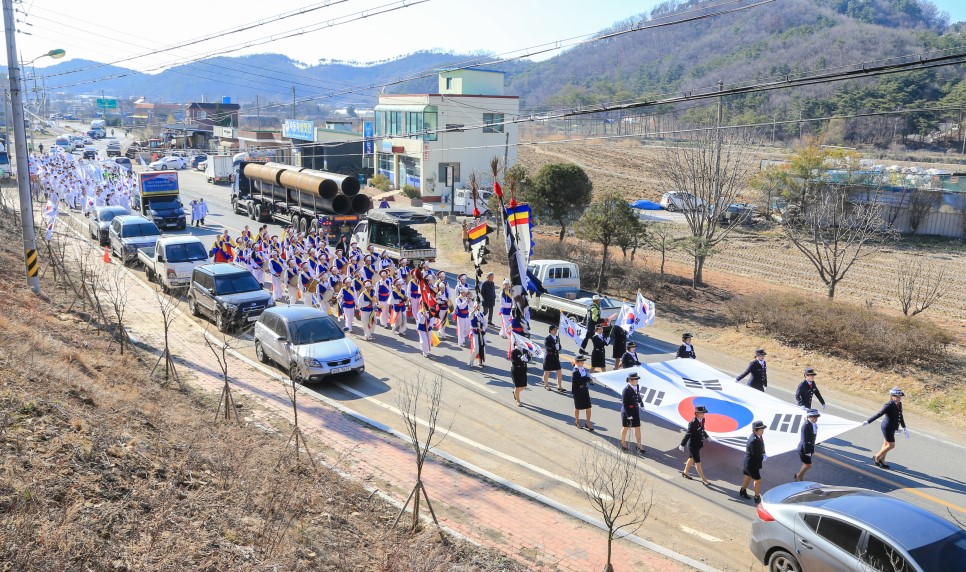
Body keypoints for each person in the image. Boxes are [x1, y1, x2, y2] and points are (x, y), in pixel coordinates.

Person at [866, 387, 908, 469]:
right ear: (892, 396)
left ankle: (882, 460)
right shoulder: (888, 405)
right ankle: (877, 456)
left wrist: (904, 427)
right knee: (892, 445)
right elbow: (879, 414)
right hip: (887, 427)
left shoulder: (899, 404)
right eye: (897, 396)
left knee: (886, 444)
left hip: (892, 427)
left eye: (900, 397)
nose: (899, 398)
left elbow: (900, 416)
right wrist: (868, 421)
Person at [679, 405, 711, 485]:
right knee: (698, 462)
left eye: (704, 413)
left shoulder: (702, 419)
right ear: (696, 413)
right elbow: (688, 434)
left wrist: (707, 436)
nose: (703, 414)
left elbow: (702, 429)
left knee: (691, 458)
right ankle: (704, 479)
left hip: (698, 444)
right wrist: (682, 444)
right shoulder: (692, 423)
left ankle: (685, 472)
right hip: (692, 445)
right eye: (702, 413)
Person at [740, 420, 767, 503]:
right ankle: (757, 497)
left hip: (750, 462)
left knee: (748, 476)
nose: (762, 430)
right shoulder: (754, 440)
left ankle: (742, 490)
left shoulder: (758, 436)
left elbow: (762, 446)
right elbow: (756, 454)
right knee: (758, 480)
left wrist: (764, 453)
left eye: (762, 429)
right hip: (752, 463)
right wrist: (763, 457)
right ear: (755, 430)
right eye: (760, 429)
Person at [620, 372, 646, 455]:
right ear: (631, 380)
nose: (637, 381)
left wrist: (641, 402)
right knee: (626, 428)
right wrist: (629, 416)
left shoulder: (636, 386)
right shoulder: (626, 390)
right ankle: (623, 442)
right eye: (635, 379)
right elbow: (625, 404)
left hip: (635, 410)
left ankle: (639, 444)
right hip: (627, 411)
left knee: (637, 427)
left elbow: (638, 395)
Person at [794, 409, 820, 482]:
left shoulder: (813, 424)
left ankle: (799, 476)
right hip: (804, 449)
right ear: (809, 417)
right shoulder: (806, 426)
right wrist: (807, 451)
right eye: (814, 417)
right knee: (808, 465)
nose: (815, 419)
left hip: (809, 447)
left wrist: (812, 448)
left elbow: (813, 438)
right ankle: (798, 476)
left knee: (807, 464)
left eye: (816, 417)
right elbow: (804, 440)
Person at [571, 353, 594, 431]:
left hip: (584, 390)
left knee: (588, 407)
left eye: (583, 362)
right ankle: (577, 421)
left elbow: (585, 377)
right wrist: (588, 378)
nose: (582, 363)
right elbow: (581, 381)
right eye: (580, 362)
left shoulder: (582, 368)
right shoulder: (575, 371)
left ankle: (588, 422)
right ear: (577, 362)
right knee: (578, 407)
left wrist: (589, 377)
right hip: (578, 391)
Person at [542, 324, 563, 392]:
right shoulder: (547, 338)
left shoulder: (557, 338)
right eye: (554, 330)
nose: (555, 331)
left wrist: (558, 347)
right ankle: (546, 385)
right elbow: (547, 348)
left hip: (555, 357)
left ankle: (559, 385)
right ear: (550, 331)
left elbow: (559, 347)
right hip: (549, 357)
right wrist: (554, 347)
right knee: (547, 372)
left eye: (556, 330)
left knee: (559, 371)